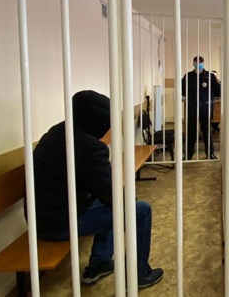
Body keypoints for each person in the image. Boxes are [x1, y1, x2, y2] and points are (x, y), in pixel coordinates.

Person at [31, 90, 163, 288]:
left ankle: (99, 264)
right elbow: (110, 192)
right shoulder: (87, 146)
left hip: (43, 217)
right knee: (141, 211)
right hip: (58, 224)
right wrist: (131, 201)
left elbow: (102, 189)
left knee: (109, 204)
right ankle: (139, 275)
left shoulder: (58, 132)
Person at [181, 56, 221, 160]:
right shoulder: (188, 76)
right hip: (192, 106)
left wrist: (212, 97)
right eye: (196, 62)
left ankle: (210, 154)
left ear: (203, 63)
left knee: (207, 131)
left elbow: (218, 90)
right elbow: (182, 90)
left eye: (200, 62)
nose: (198, 64)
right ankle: (188, 154)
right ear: (193, 63)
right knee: (191, 132)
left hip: (205, 107)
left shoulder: (210, 76)